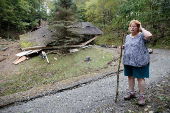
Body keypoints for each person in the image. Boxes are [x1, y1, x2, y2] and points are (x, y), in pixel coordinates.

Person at [123, 20, 152, 106]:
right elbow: (130, 45)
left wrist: (142, 28)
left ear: (138, 28)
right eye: (131, 26)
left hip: (140, 61)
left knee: (140, 78)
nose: (132, 28)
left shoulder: (142, 36)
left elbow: (149, 35)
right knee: (130, 77)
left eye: (134, 26)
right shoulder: (127, 37)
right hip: (128, 61)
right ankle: (132, 93)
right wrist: (124, 47)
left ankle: (142, 96)